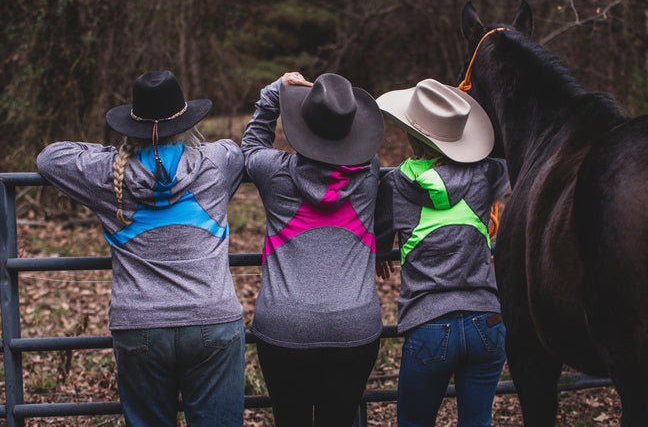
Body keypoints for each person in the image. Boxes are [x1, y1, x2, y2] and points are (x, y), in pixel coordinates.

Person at [36, 70, 246, 427]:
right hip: (212, 319)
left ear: (131, 126)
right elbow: (236, 148)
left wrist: (112, 156)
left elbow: (50, 157)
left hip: (139, 325)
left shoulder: (106, 176)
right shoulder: (216, 162)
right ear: (186, 120)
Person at [241, 71, 384, 427]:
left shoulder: (273, 173)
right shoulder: (370, 173)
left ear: (301, 127)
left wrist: (275, 93)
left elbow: (251, 145)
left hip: (284, 329)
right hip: (354, 328)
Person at [374, 79, 509, 427]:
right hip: (488, 321)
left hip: (429, 323)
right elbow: (509, 156)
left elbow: (379, 239)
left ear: (410, 134)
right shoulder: (485, 173)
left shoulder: (395, 184)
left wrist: (381, 253)